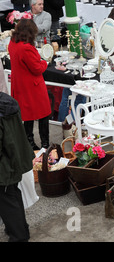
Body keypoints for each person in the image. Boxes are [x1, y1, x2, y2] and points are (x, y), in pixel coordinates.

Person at [8, 19, 51, 150]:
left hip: (20, 84)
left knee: (27, 115)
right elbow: (37, 68)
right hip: (33, 86)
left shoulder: (12, 43)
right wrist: (45, 62)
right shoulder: (26, 48)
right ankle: (45, 144)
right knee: (43, 114)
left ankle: (29, 143)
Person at [0, 92, 35, 242]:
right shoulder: (7, 102)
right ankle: (19, 230)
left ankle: (19, 235)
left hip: (4, 165)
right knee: (12, 195)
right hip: (13, 159)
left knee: (8, 200)